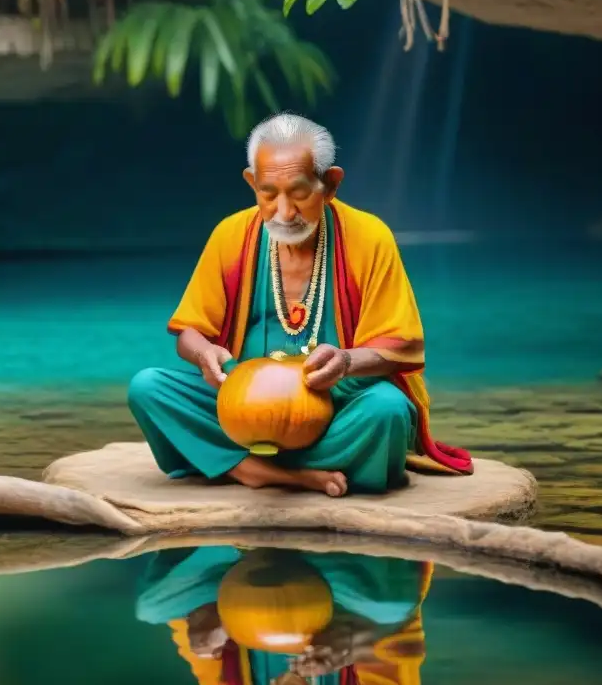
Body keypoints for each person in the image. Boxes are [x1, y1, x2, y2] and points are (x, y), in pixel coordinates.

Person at [128, 113, 472, 498]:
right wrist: (205, 353)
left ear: (331, 184)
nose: (283, 212)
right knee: (149, 388)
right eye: (268, 193)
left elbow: (401, 346)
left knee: (387, 412)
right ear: (251, 183)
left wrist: (345, 362)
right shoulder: (230, 236)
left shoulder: (370, 238)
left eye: (299, 192)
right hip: (244, 407)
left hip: (337, 402)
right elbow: (190, 332)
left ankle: (241, 465)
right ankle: (287, 474)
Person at [135, 546, 433, 685]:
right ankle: (315, 541)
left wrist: (203, 626)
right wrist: (357, 640)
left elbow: (197, 641)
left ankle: (232, 542)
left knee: (152, 607)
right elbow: (404, 636)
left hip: (234, 575)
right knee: (390, 608)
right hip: (334, 580)